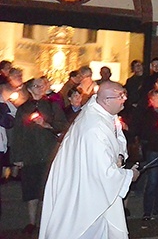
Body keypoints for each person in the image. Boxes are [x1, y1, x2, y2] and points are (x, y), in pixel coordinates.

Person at [39, 82, 140, 238]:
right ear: (106, 100)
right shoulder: (94, 127)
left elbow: (116, 138)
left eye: (124, 94)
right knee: (88, 229)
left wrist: (119, 156)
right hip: (86, 191)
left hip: (90, 182)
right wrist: (129, 176)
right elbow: (102, 173)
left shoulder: (102, 112)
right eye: (121, 96)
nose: (125, 98)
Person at [12, 78, 69, 234]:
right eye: (37, 86)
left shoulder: (52, 106)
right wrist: (17, 157)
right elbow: (18, 133)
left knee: (48, 188)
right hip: (31, 153)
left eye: (42, 86)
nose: (41, 88)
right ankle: (31, 222)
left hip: (49, 152)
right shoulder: (24, 108)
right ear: (30, 89)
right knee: (31, 189)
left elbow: (63, 125)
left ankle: (49, 220)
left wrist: (46, 125)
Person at [136, 90, 158, 220]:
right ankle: (147, 211)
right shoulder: (147, 114)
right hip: (153, 150)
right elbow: (145, 132)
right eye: (157, 98)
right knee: (153, 180)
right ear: (151, 100)